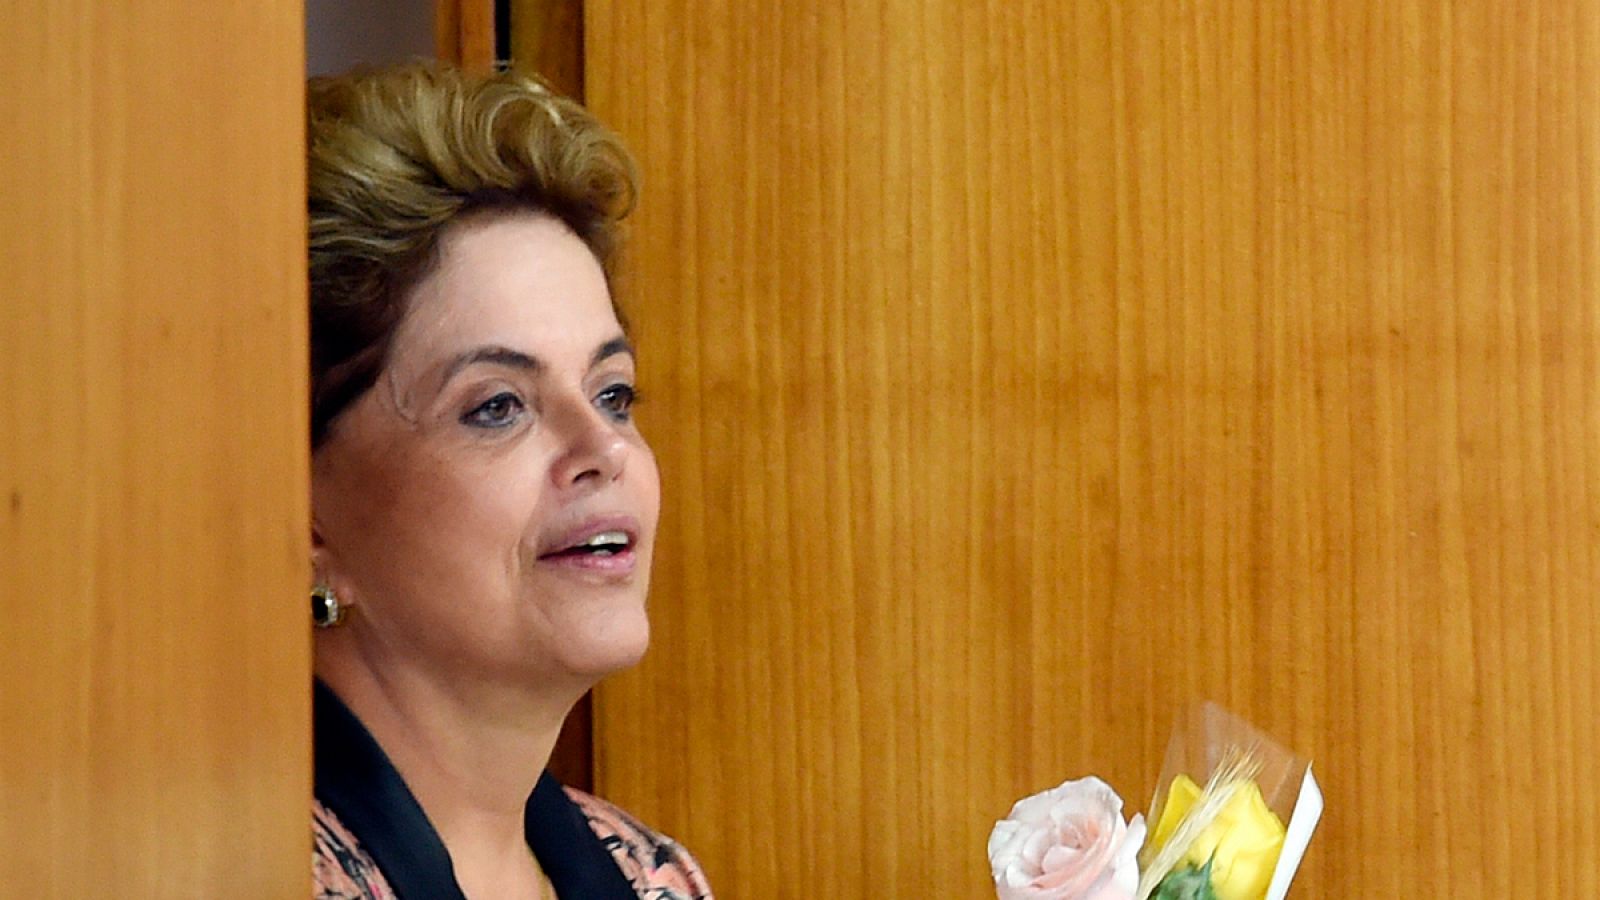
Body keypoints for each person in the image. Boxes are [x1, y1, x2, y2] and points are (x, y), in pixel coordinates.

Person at [305, 63, 711, 900]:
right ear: (307, 521)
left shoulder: (650, 875)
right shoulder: (241, 870)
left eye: (613, 393)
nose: (603, 446)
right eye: (498, 406)